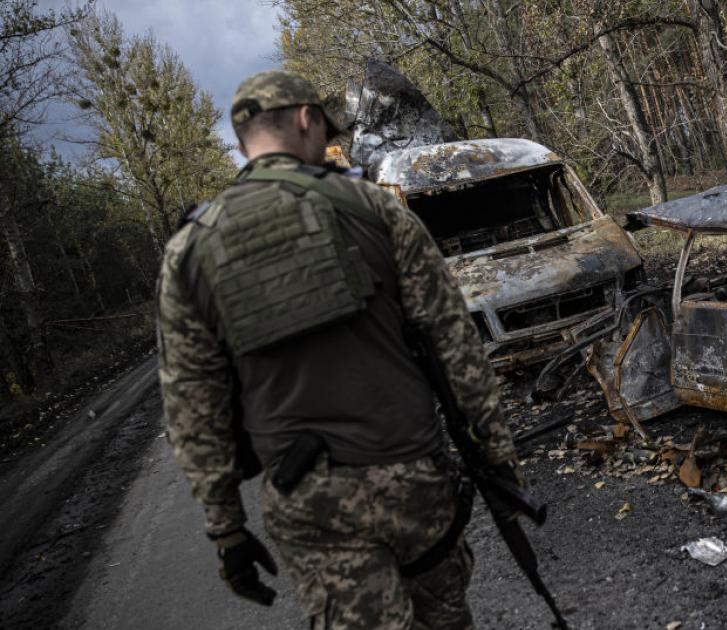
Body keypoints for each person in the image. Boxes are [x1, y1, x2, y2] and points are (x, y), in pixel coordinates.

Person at [157, 69, 519, 629]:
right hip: (412, 478)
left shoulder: (189, 252)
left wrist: (226, 527)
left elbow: (192, 406)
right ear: (306, 119)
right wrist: (497, 455)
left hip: (308, 502)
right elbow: (455, 342)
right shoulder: (375, 209)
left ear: (242, 141)